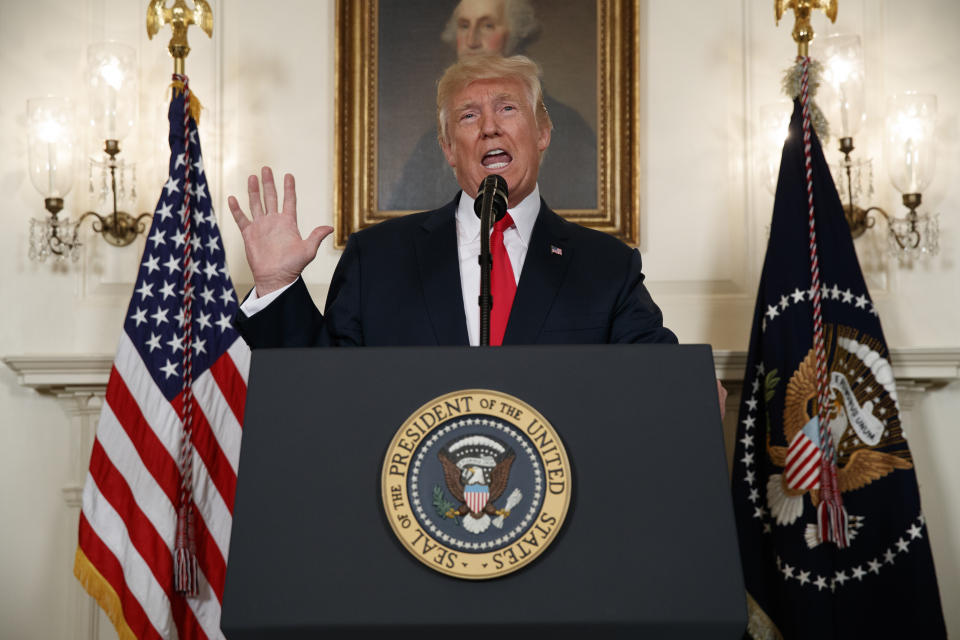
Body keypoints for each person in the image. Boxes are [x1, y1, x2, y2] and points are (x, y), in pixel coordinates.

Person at [229, 54, 674, 349]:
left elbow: (657, 380)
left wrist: (688, 386)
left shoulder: (607, 267)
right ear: (447, 147)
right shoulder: (378, 258)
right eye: (468, 116)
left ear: (542, 133)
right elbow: (326, 389)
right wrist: (276, 285)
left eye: (507, 108)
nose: (489, 128)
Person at [382, 0, 597, 211]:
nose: (472, 40)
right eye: (464, 26)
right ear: (447, 148)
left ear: (515, 34)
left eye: (487, 26)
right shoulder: (430, 143)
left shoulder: (571, 129)